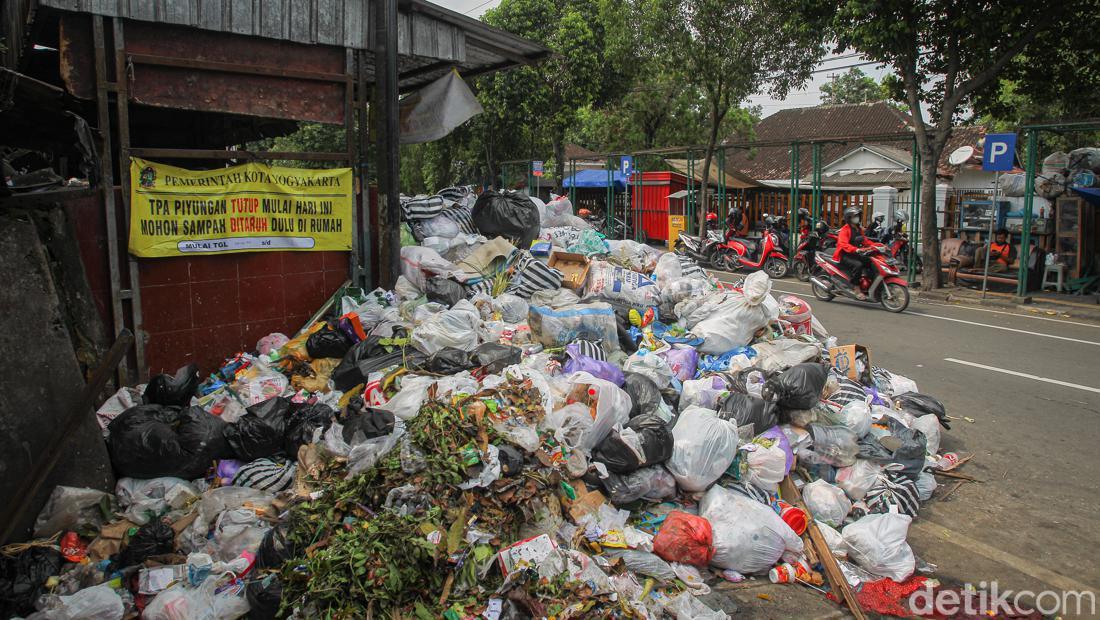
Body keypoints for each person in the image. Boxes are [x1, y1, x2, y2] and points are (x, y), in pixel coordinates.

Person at [833, 206, 875, 299]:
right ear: (849, 218)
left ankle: (869, 284)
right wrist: (855, 249)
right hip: (844, 254)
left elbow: (865, 241)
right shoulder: (845, 230)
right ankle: (856, 287)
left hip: (856, 253)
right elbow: (843, 244)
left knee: (870, 262)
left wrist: (876, 246)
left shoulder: (858, 229)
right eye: (855, 216)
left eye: (858, 216)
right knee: (858, 265)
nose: (857, 218)